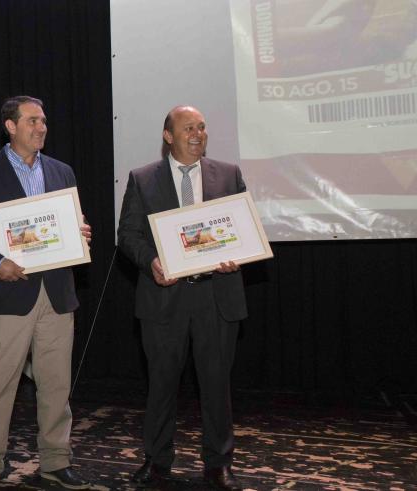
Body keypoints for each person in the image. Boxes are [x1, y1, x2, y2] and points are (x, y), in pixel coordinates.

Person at [0, 96, 92, 491]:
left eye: (44, 121)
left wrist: (79, 234)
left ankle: (55, 463)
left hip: (57, 293)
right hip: (8, 295)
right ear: (10, 127)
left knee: (56, 384)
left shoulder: (62, 171)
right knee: (0, 383)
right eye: (32, 121)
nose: (41, 127)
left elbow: (70, 222)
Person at [116, 105, 247, 491]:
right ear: (168, 136)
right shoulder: (143, 179)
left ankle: (218, 464)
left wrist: (235, 256)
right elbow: (128, 235)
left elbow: (243, 228)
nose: (198, 133)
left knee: (216, 385)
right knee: (161, 384)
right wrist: (151, 261)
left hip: (216, 296)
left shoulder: (228, 174)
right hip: (164, 297)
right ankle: (156, 462)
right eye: (188, 127)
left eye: (203, 127)